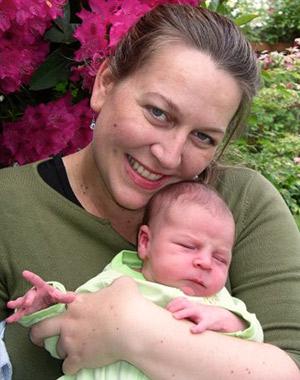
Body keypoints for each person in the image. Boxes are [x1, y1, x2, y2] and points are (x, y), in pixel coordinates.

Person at [0, 3, 300, 380]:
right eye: (158, 112)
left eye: (203, 137)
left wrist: (133, 331)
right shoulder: (7, 210)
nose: (169, 155)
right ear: (105, 83)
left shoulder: (241, 204)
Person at [6, 182, 263, 379]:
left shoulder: (217, 302)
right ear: (145, 242)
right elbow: (64, 342)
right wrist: (45, 306)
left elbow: (255, 345)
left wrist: (227, 320)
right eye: (188, 246)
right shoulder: (113, 282)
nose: (205, 262)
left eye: (220, 259)